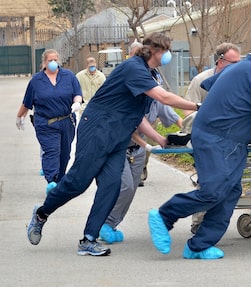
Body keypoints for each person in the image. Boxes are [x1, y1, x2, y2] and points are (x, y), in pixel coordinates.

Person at [26, 32, 200, 256]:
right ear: (157, 51)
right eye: (168, 50)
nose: (170, 55)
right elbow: (164, 98)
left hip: (118, 135)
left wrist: (161, 140)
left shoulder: (150, 73)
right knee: (79, 182)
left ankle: (88, 239)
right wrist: (197, 106)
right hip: (97, 128)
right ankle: (41, 214)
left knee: (112, 185)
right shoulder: (134, 68)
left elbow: (136, 115)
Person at [147, 36, 251, 260]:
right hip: (217, 138)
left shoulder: (242, 69)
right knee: (213, 191)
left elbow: (216, 86)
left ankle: (199, 245)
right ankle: (164, 215)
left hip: (228, 140)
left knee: (231, 190)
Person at [99, 69, 183, 244]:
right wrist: (148, 145)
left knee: (131, 190)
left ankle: (111, 225)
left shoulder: (156, 102)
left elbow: (175, 118)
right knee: (126, 186)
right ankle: (104, 223)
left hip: (137, 152)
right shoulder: (130, 101)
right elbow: (129, 128)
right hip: (118, 147)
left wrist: (190, 131)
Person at [181, 42, 241, 234]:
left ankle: (214, 223)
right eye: (233, 63)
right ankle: (199, 222)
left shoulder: (240, 80)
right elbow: (186, 112)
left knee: (231, 184)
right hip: (206, 140)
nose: (237, 67)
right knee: (208, 181)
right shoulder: (201, 81)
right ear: (220, 61)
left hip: (232, 140)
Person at [16, 49, 82, 194]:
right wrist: (20, 116)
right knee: (52, 151)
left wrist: (77, 103)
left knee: (65, 153)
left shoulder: (68, 76)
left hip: (67, 121)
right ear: (44, 63)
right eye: (50, 60)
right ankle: (52, 181)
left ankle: (59, 182)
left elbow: (77, 93)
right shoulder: (36, 81)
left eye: (55, 59)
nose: (53, 62)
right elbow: (27, 102)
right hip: (46, 123)